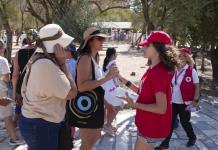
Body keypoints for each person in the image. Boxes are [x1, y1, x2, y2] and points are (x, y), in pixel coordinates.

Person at [18, 24, 77, 150]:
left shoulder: (38, 57)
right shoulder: (46, 65)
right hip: (41, 125)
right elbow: (72, 92)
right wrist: (63, 63)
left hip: (37, 123)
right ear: (56, 45)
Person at [118, 31, 179, 150]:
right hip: (148, 124)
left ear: (158, 48)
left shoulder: (158, 73)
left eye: (147, 45)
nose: (143, 47)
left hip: (152, 126)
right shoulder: (153, 69)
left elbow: (161, 108)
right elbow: (142, 92)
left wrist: (134, 104)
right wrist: (122, 79)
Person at [76, 27, 119, 150]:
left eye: (103, 38)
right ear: (90, 41)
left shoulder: (94, 58)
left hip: (94, 105)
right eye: (99, 38)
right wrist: (107, 78)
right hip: (87, 108)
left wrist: (105, 102)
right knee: (88, 142)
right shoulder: (85, 58)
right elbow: (82, 86)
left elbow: (96, 86)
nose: (103, 41)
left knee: (94, 137)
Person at [155, 47, 199, 149]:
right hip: (172, 102)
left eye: (184, 56)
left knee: (184, 122)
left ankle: (192, 137)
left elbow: (196, 86)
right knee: (169, 123)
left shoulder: (191, 71)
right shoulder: (173, 69)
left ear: (188, 58)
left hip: (184, 102)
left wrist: (195, 100)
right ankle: (165, 144)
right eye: (179, 56)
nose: (181, 58)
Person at [12, 29, 38, 125]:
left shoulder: (19, 52)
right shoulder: (41, 51)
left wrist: (14, 92)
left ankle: (17, 121)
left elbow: (15, 75)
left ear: (26, 38)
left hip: (22, 83)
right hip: (36, 83)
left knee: (20, 103)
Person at [0, 40, 23, 145]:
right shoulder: (2, 60)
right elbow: (6, 78)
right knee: (7, 116)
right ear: (2, 48)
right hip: (1, 92)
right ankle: (14, 139)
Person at [102, 48, 123, 135]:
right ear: (113, 55)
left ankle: (108, 125)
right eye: (116, 53)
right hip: (111, 89)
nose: (117, 55)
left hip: (105, 89)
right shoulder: (113, 64)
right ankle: (107, 125)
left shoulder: (106, 64)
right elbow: (116, 77)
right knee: (118, 106)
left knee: (109, 108)